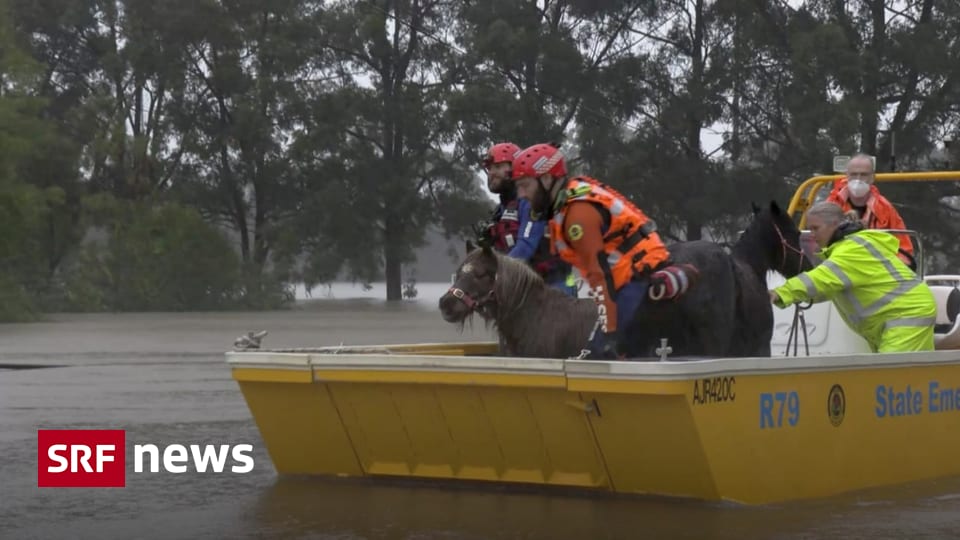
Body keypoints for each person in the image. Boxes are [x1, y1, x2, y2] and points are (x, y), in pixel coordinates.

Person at [509, 142, 695, 359]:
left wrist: (606, 336)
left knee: (602, 351)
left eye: (525, 186)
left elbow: (599, 276)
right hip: (626, 274)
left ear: (547, 180)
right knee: (599, 346)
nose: (521, 195)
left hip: (637, 275)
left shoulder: (577, 215)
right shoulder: (568, 199)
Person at [769, 201, 936, 353]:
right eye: (809, 229)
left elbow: (820, 278)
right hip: (897, 315)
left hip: (906, 314)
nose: (811, 234)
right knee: (906, 377)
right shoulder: (850, 245)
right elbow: (828, 287)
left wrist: (780, 293)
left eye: (815, 228)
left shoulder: (850, 250)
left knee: (889, 377)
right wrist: (795, 296)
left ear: (834, 225)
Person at [477, 142, 577, 296]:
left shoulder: (531, 201)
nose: (491, 173)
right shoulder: (500, 210)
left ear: (514, 167)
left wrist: (497, 275)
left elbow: (526, 245)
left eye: (497, 167)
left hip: (554, 285)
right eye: (489, 168)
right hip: (524, 286)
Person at [825, 153, 915, 268]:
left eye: (863, 175)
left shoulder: (885, 209)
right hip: (838, 268)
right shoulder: (832, 205)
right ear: (847, 176)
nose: (858, 179)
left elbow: (904, 250)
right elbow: (817, 242)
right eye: (854, 174)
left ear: (872, 177)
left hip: (875, 272)